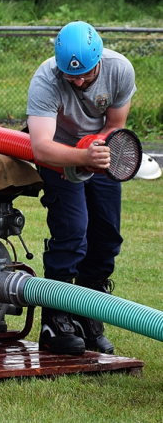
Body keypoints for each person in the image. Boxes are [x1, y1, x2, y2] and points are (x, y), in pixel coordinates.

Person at [27, 21, 136, 356]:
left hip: (100, 150)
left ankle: (89, 316)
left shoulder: (120, 70)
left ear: (99, 59)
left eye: (85, 74)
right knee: (72, 233)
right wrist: (79, 156)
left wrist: (95, 153)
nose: (77, 80)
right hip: (58, 153)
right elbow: (41, 146)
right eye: (70, 75)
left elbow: (116, 125)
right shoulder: (46, 79)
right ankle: (55, 321)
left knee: (106, 238)